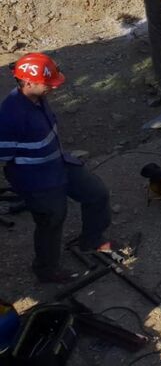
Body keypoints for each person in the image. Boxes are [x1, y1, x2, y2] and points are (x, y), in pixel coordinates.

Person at [0, 53, 113, 283]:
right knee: (51, 221)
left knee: (96, 193)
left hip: (59, 165)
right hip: (37, 181)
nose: (53, 88)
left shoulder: (38, 98)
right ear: (28, 82)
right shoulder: (10, 116)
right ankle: (46, 270)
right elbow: (4, 156)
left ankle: (91, 240)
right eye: (47, 84)